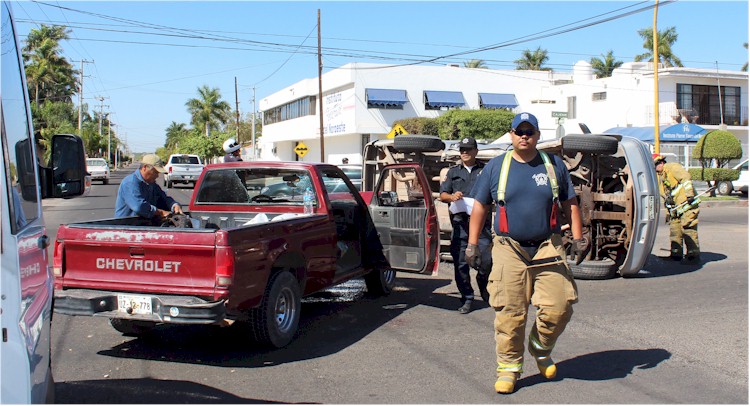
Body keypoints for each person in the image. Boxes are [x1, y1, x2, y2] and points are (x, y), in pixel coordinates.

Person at [465, 112, 588, 394]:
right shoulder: (496, 167)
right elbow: (481, 207)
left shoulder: (554, 165)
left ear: (537, 135)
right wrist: (472, 244)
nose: (524, 136)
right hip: (509, 247)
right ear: (511, 134)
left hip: (548, 246)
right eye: (519, 131)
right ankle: (508, 368)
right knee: (510, 312)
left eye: (529, 132)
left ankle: (540, 347)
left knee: (560, 306)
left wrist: (579, 238)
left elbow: (570, 203)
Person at [439, 136, 492, 314]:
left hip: (482, 227)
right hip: (460, 225)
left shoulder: (486, 171)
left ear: (476, 151)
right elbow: (443, 195)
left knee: (486, 262)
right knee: (460, 265)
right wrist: (452, 197)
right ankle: (467, 298)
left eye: (468, 149)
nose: (464, 152)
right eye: (462, 150)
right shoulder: (453, 172)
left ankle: (483, 284)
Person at [653, 154, 700, 262]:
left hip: (687, 204)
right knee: (675, 230)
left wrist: (689, 195)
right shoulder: (659, 176)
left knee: (688, 229)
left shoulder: (672, 167)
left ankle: (693, 256)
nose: (654, 169)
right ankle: (676, 254)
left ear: (661, 163)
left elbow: (686, 178)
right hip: (676, 208)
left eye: (655, 165)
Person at [115, 154, 183, 220]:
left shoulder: (152, 184)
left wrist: (174, 205)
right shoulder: (130, 182)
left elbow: (163, 198)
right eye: (155, 172)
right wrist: (161, 213)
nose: (157, 176)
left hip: (143, 226)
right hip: (125, 227)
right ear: (144, 168)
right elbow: (139, 207)